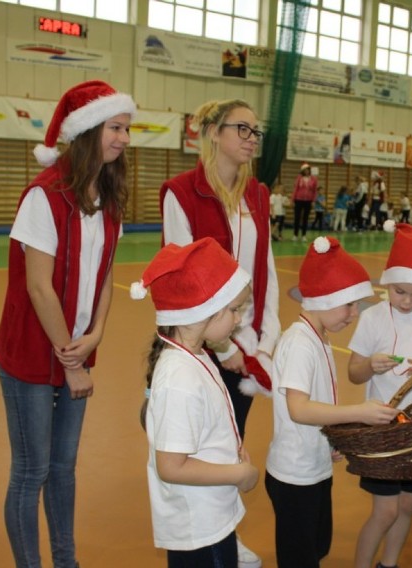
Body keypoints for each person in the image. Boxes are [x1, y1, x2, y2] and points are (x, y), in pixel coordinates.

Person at [0, 80, 135, 568]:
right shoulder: (43, 196)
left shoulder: (109, 196)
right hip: (33, 357)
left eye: (126, 128)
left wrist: (95, 335)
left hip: (76, 350)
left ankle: (65, 560)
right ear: (88, 130)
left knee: (64, 468)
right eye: (116, 128)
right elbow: (38, 287)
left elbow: (109, 272)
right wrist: (71, 359)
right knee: (31, 471)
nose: (124, 138)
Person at [159, 98, 278, 568]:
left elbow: (264, 265)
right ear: (212, 132)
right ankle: (199, 539)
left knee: (233, 440)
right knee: (200, 449)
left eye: (256, 131)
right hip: (204, 345)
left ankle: (227, 530)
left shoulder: (259, 195)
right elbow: (181, 276)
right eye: (241, 129)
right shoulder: (181, 192)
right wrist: (223, 344)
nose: (251, 138)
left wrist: (264, 339)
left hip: (246, 342)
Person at [265, 236, 399, 568]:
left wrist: (330, 439)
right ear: (323, 299)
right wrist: (359, 412)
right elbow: (298, 409)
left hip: (314, 466)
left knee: (316, 546)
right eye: (349, 305)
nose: (355, 314)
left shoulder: (318, 338)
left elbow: (316, 403)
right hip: (294, 476)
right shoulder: (299, 343)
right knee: (300, 557)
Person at [133, 238, 260, 567]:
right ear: (202, 311)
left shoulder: (198, 355)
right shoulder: (180, 379)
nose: (238, 320)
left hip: (212, 516)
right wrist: (237, 473)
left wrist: (233, 450)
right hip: (200, 528)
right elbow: (171, 466)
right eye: (233, 310)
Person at [347, 221, 412, 568]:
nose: (406, 301)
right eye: (399, 291)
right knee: (386, 509)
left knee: (407, 505)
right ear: (387, 283)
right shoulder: (373, 318)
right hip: (383, 429)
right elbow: (353, 372)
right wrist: (371, 365)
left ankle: (387, 564)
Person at [292, 162, 319, 241]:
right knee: (297, 218)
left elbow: (315, 191)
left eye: (308, 169)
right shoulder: (299, 178)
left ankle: (304, 235)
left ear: (309, 170)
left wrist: (313, 201)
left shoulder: (313, 179)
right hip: (298, 200)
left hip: (308, 201)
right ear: (302, 171)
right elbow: (295, 189)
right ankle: (295, 235)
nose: (306, 171)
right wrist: (292, 200)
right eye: (305, 170)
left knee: (305, 218)